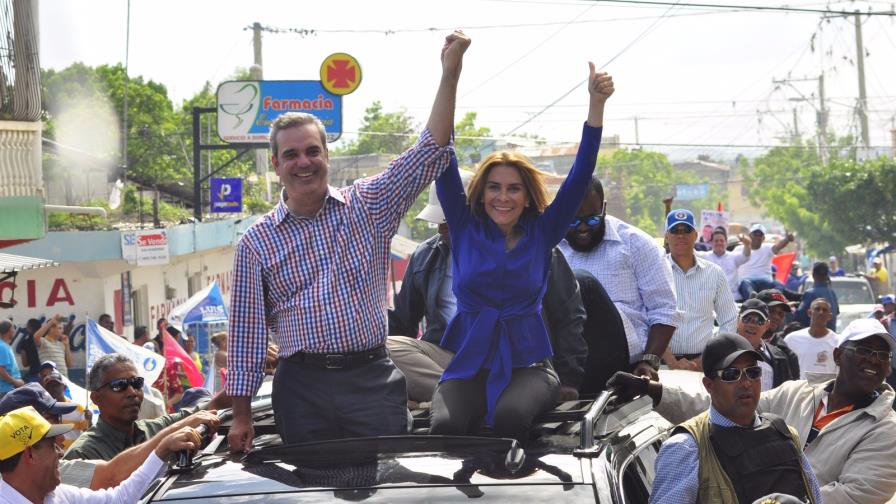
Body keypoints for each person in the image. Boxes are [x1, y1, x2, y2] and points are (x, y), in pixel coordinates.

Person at [226, 32, 470, 451]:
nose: (304, 162)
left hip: (371, 378)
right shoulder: (255, 242)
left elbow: (430, 151)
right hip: (300, 387)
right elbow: (247, 336)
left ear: (327, 155)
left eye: (312, 151)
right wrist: (242, 416)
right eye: (291, 155)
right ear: (276, 164)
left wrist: (450, 73)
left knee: (385, 487)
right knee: (311, 492)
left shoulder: (369, 206)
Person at [428, 64, 614, 443]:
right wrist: (451, 74)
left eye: (514, 189)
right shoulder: (463, 228)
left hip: (530, 367)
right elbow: (439, 151)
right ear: (480, 193)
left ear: (528, 196)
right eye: (494, 187)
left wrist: (596, 104)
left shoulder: (543, 232)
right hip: (468, 366)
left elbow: (581, 173)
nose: (503, 196)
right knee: (445, 427)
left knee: (510, 418)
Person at [608, 317, 896, 503]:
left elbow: (855, 496)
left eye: (882, 354)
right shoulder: (796, 394)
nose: (874, 360)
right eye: (863, 350)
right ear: (837, 355)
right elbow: (726, 408)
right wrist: (655, 390)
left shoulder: (886, 428)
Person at [387, 175, 587, 403]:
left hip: (517, 360)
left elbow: (569, 317)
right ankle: (462, 396)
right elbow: (403, 322)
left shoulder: (537, 249)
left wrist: (569, 379)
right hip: (452, 358)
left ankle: (457, 399)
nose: (442, 229)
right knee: (388, 347)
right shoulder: (425, 257)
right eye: (438, 223)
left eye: (448, 222)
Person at [648, 333, 821, 504]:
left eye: (753, 372)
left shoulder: (786, 435)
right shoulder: (686, 448)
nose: (746, 383)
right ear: (709, 385)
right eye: (731, 374)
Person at [559, 176, 679, 385]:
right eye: (573, 220)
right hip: (566, 356)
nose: (582, 228)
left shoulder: (636, 244)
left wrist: (649, 361)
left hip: (619, 354)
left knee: (582, 283)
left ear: (604, 208)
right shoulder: (551, 247)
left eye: (592, 220)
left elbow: (665, 310)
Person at [0, 382, 194, 490]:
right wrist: (168, 440)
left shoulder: (60, 486)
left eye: (136, 383)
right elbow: (112, 476)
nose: (59, 436)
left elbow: (119, 497)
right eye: (51, 419)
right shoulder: (65, 464)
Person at [0, 405, 202, 503]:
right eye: (53, 446)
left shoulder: (58, 495)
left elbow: (120, 499)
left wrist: (161, 452)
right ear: (30, 454)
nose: (61, 453)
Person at [65, 354, 224, 461]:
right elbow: (112, 476)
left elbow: (213, 405)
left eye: (136, 383)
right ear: (96, 398)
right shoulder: (82, 454)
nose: (132, 392)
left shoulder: (155, 428)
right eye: (119, 385)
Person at [665, 209, 738, 367]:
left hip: (704, 365)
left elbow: (730, 320)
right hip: (662, 364)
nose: (681, 235)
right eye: (675, 230)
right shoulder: (656, 271)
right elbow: (645, 320)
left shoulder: (714, 273)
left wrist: (706, 359)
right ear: (666, 236)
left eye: (686, 230)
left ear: (695, 235)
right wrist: (671, 361)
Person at [737, 299, 800, 390]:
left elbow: (786, 395)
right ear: (737, 320)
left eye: (759, 321)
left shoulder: (780, 357)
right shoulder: (720, 351)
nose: (752, 325)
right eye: (747, 319)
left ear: (766, 325)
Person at [737, 224, 795, 300]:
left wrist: (787, 239)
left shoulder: (767, 248)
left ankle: (778, 298)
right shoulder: (739, 249)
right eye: (755, 234)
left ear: (763, 238)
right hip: (748, 282)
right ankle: (753, 297)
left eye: (760, 235)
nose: (757, 237)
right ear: (750, 236)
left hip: (766, 282)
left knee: (779, 284)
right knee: (745, 284)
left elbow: (778, 246)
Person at [785, 298, 839, 379]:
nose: (821, 312)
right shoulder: (791, 339)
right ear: (809, 313)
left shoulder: (838, 342)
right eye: (817, 309)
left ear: (830, 316)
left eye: (825, 310)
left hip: (827, 391)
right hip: (799, 391)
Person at [40, 370, 91, 449]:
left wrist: (89, 421)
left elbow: (88, 433)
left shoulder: (78, 408)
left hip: (74, 455)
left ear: (64, 387)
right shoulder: (43, 411)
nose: (53, 389)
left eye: (56, 385)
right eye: (50, 386)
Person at [697, 229, 752, 301]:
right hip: (710, 300)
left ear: (726, 243)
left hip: (733, 299)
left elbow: (746, 256)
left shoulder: (734, 256)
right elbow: (691, 253)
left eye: (721, 241)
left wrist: (747, 244)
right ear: (711, 243)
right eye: (716, 241)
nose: (719, 243)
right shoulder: (704, 256)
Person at [795, 262, 839, 331]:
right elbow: (836, 312)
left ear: (813, 275)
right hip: (830, 337)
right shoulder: (832, 292)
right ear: (827, 275)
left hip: (814, 337)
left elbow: (799, 318)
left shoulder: (810, 293)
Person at [0, 319, 24, 397]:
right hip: (5, 391)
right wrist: (16, 382)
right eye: (13, 328)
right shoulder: (2, 346)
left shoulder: (5, 346)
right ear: (9, 329)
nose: (14, 331)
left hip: (10, 389)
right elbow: (2, 372)